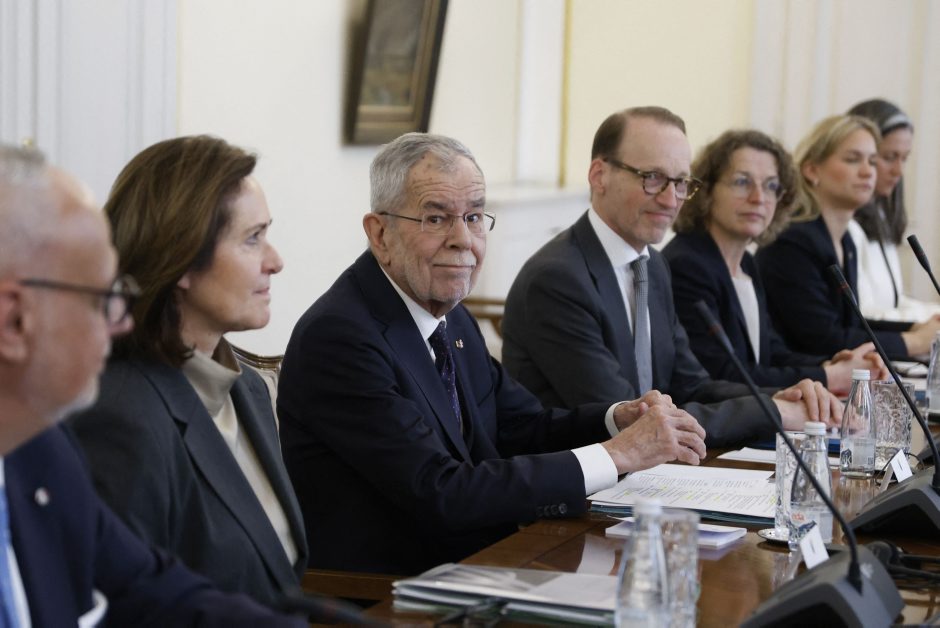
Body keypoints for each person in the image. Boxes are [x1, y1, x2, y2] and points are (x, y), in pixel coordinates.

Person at [278, 132, 708, 575]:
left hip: (485, 562)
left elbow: (522, 427)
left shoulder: (450, 317)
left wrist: (616, 420)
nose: (463, 240)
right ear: (380, 234)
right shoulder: (341, 338)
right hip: (393, 591)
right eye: (435, 218)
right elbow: (442, 491)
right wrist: (616, 455)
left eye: (473, 217)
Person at [0, 144, 306, 626]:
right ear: (14, 320)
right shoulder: (116, 414)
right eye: (100, 297)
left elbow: (146, 586)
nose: (120, 321)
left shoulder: (40, 451)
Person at [502, 107, 840, 443]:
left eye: (680, 183)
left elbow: (691, 385)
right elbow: (632, 420)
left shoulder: (653, 265)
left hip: (651, 467)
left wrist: (782, 397)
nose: (670, 200)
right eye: (652, 177)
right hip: (583, 473)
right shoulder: (557, 279)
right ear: (599, 175)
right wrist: (774, 412)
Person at [663, 129, 885, 394]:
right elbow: (722, 374)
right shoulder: (688, 265)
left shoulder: (745, 262)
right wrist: (828, 376)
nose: (758, 198)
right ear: (707, 190)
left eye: (771, 186)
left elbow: (771, 351)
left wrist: (830, 364)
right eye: (742, 182)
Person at [756, 115, 940, 360]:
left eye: (872, 161)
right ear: (812, 170)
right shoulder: (791, 241)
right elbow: (823, 339)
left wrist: (916, 327)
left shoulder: (846, 241)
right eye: (853, 159)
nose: (867, 172)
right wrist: (915, 341)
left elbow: (851, 324)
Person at [846, 99, 940, 322]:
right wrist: (928, 317)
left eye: (904, 158)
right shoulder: (846, 226)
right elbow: (865, 314)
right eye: (889, 157)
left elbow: (892, 301)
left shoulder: (880, 216)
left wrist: (933, 312)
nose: (899, 171)